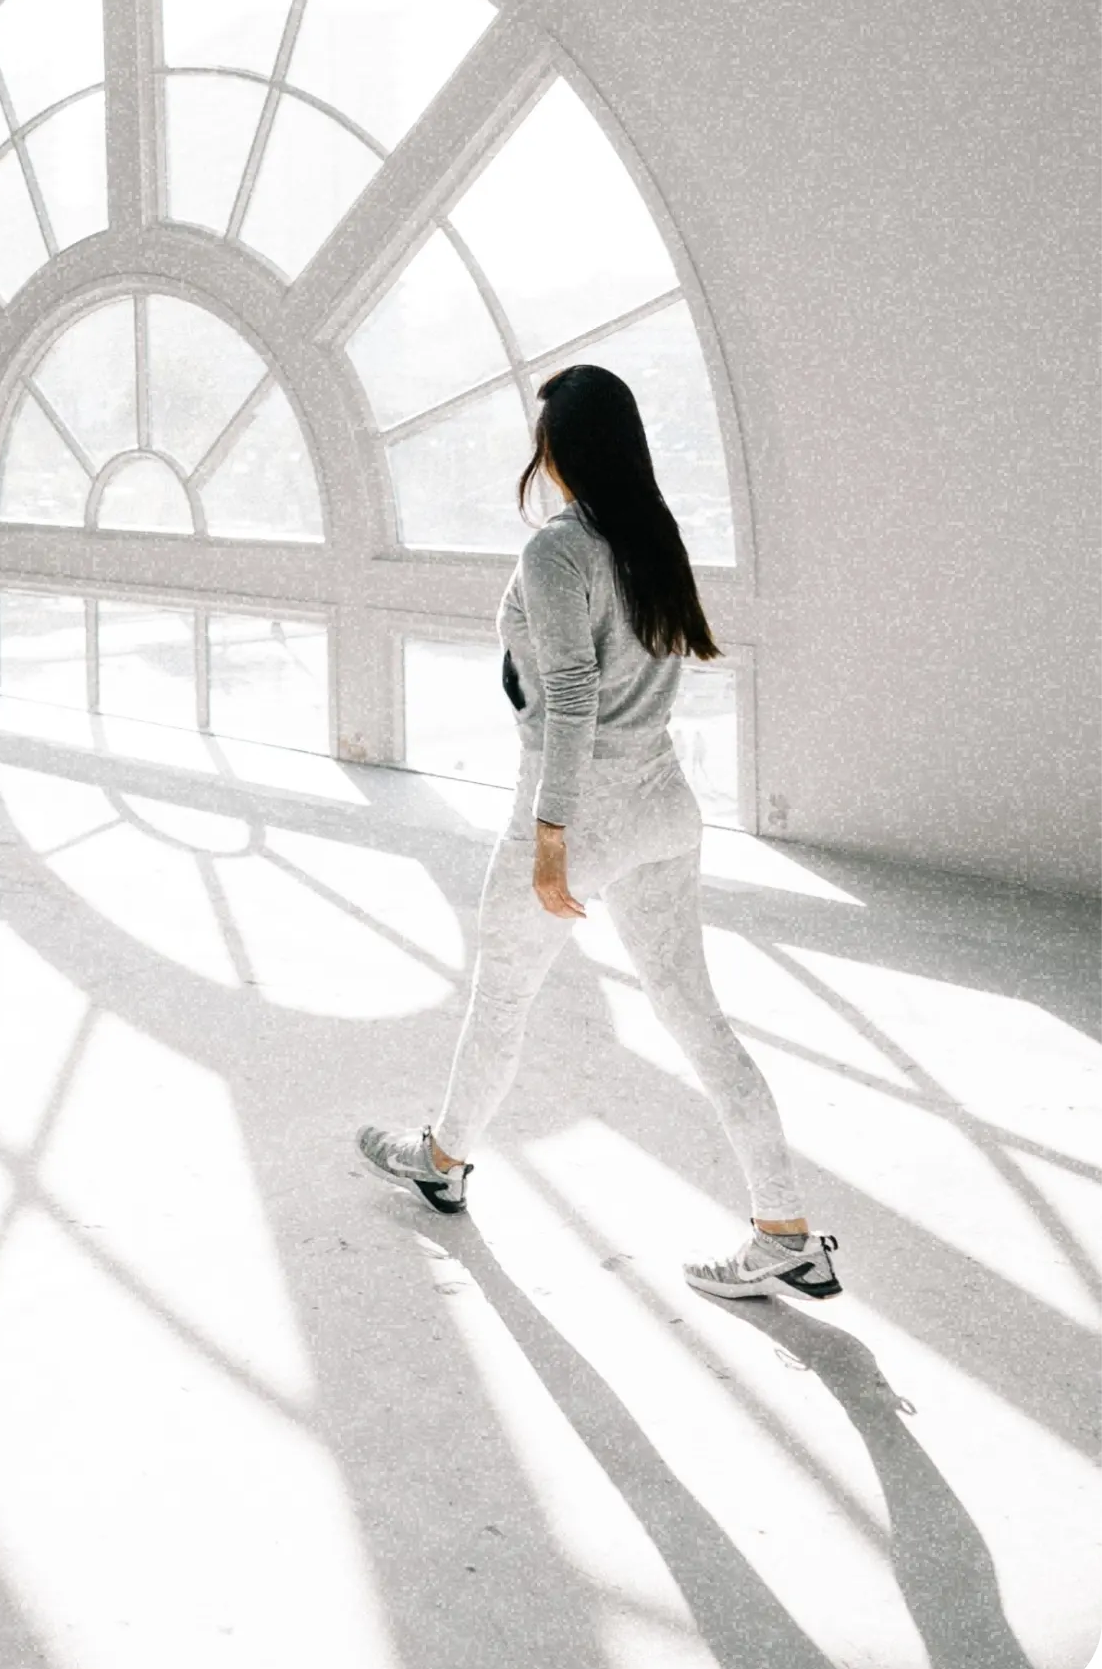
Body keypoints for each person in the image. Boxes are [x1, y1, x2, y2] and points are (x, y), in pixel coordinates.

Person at [356, 363, 840, 1302]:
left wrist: (550, 836)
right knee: (697, 1019)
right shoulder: (656, 537)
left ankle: (444, 1161)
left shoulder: (558, 551)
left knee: (501, 998)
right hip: (665, 804)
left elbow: (572, 696)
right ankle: (786, 1230)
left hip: (581, 813)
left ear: (565, 451)